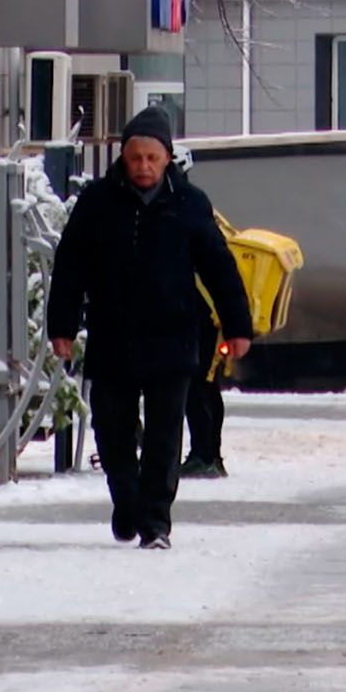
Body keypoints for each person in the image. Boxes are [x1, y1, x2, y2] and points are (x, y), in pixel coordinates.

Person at [48, 107, 253, 549]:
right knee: (113, 431)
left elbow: (219, 266)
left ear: (167, 158)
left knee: (164, 437)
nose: (143, 167)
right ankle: (126, 502)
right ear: (124, 156)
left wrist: (238, 326)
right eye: (135, 157)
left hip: (173, 336)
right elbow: (70, 266)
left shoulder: (189, 203)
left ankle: (156, 522)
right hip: (113, 336)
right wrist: (61, 325)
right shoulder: (98, 203)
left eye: (152, 158)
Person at [180, 292, 229, 478]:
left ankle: (203, 455)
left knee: (197, 384)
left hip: (202, 311)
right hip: (212, 311)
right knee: (207, 383)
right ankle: (210, 454)